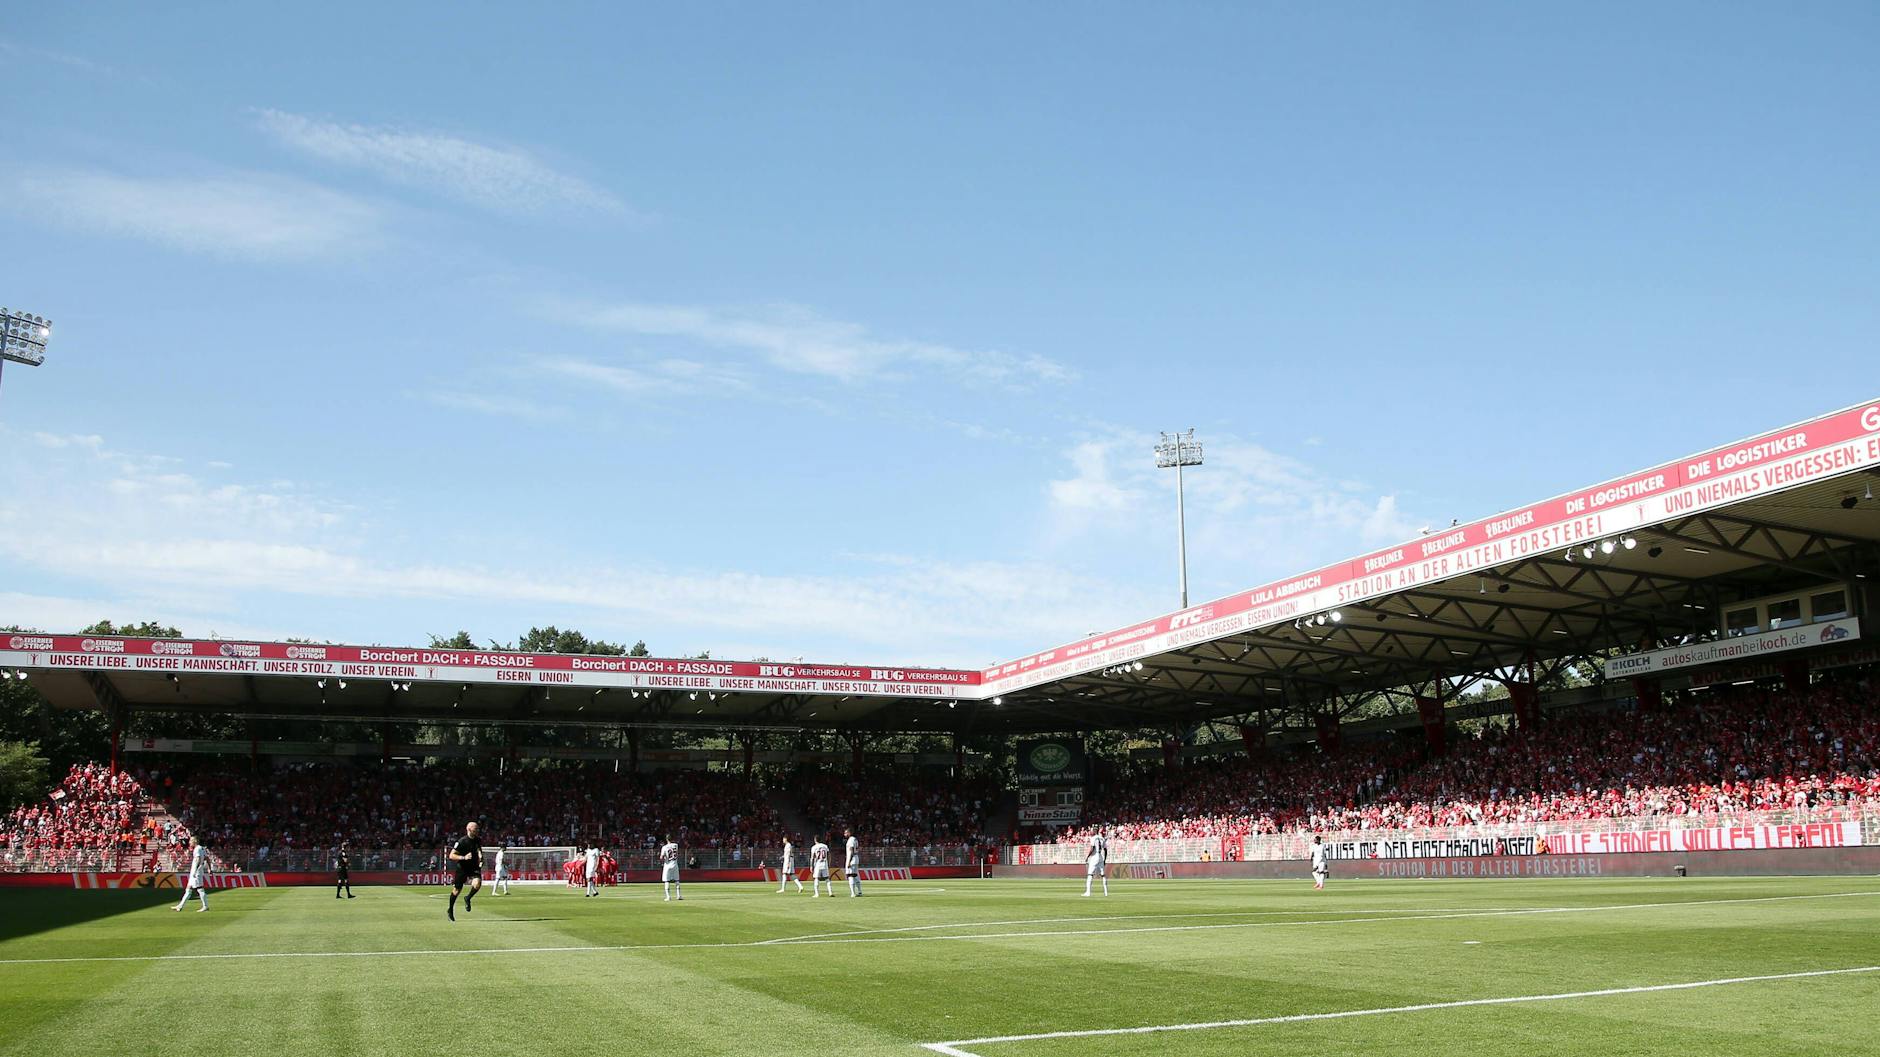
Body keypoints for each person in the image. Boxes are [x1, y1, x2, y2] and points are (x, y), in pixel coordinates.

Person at [446, 821, 482, 921]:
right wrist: (464, 857)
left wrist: (481, 857)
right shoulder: (462, 841)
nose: (477, 831)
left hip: (474, 866)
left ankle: (468, 898)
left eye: (478, 829)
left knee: (477, 883)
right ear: (469, 830)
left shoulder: (478, 840)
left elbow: (479, 849)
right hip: (463, 868)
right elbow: (451, 855)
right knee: (457, 890)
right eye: (476, 829)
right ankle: (450, 909)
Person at [171, 835, 209, 912]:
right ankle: (180, 906)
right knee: (188, 890)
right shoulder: (202, 848)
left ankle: (205, 906)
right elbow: (207, 858)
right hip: (195, 871)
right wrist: (209, 868)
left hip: (196, 872)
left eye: (191, 841)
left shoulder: (197, 849)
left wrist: (195, 871)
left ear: (194, 841)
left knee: (200, 889)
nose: (189, 842)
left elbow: (198, 859)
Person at [1083, 829, 1108, 897]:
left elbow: (1092, 848)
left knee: (1090, 874)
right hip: (1100, 856)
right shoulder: (1102, 838)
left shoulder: (1093, 838)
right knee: (1103, 874)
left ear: (1094, 832)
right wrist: (1105, 859)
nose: (1090, 832)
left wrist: (1087, 857)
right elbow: (1105, 849)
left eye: (1091, 831)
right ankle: (1106, 892)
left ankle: (1088, 892)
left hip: (1095, 856)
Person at [659, 836, 682, 901]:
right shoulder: (676, 845)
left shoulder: (664, 847)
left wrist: (662, 857)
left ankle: (668, 897)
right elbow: (677, 853)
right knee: (677, 880)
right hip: (675, 864)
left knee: (667, 881)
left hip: (667, 865)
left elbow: (661, 857)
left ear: (666, 839)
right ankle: (678, 895)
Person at [844, 827, 863, 898]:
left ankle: (853, 893)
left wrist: (849, 861)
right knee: (855, 875)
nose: (844, 834)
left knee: (850, 875)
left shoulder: (851, 840)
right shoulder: (855, 839)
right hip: (855, 858)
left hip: (852, 859)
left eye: (846, 833)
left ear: (849, 833)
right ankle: (860, 891)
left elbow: (851, 850)